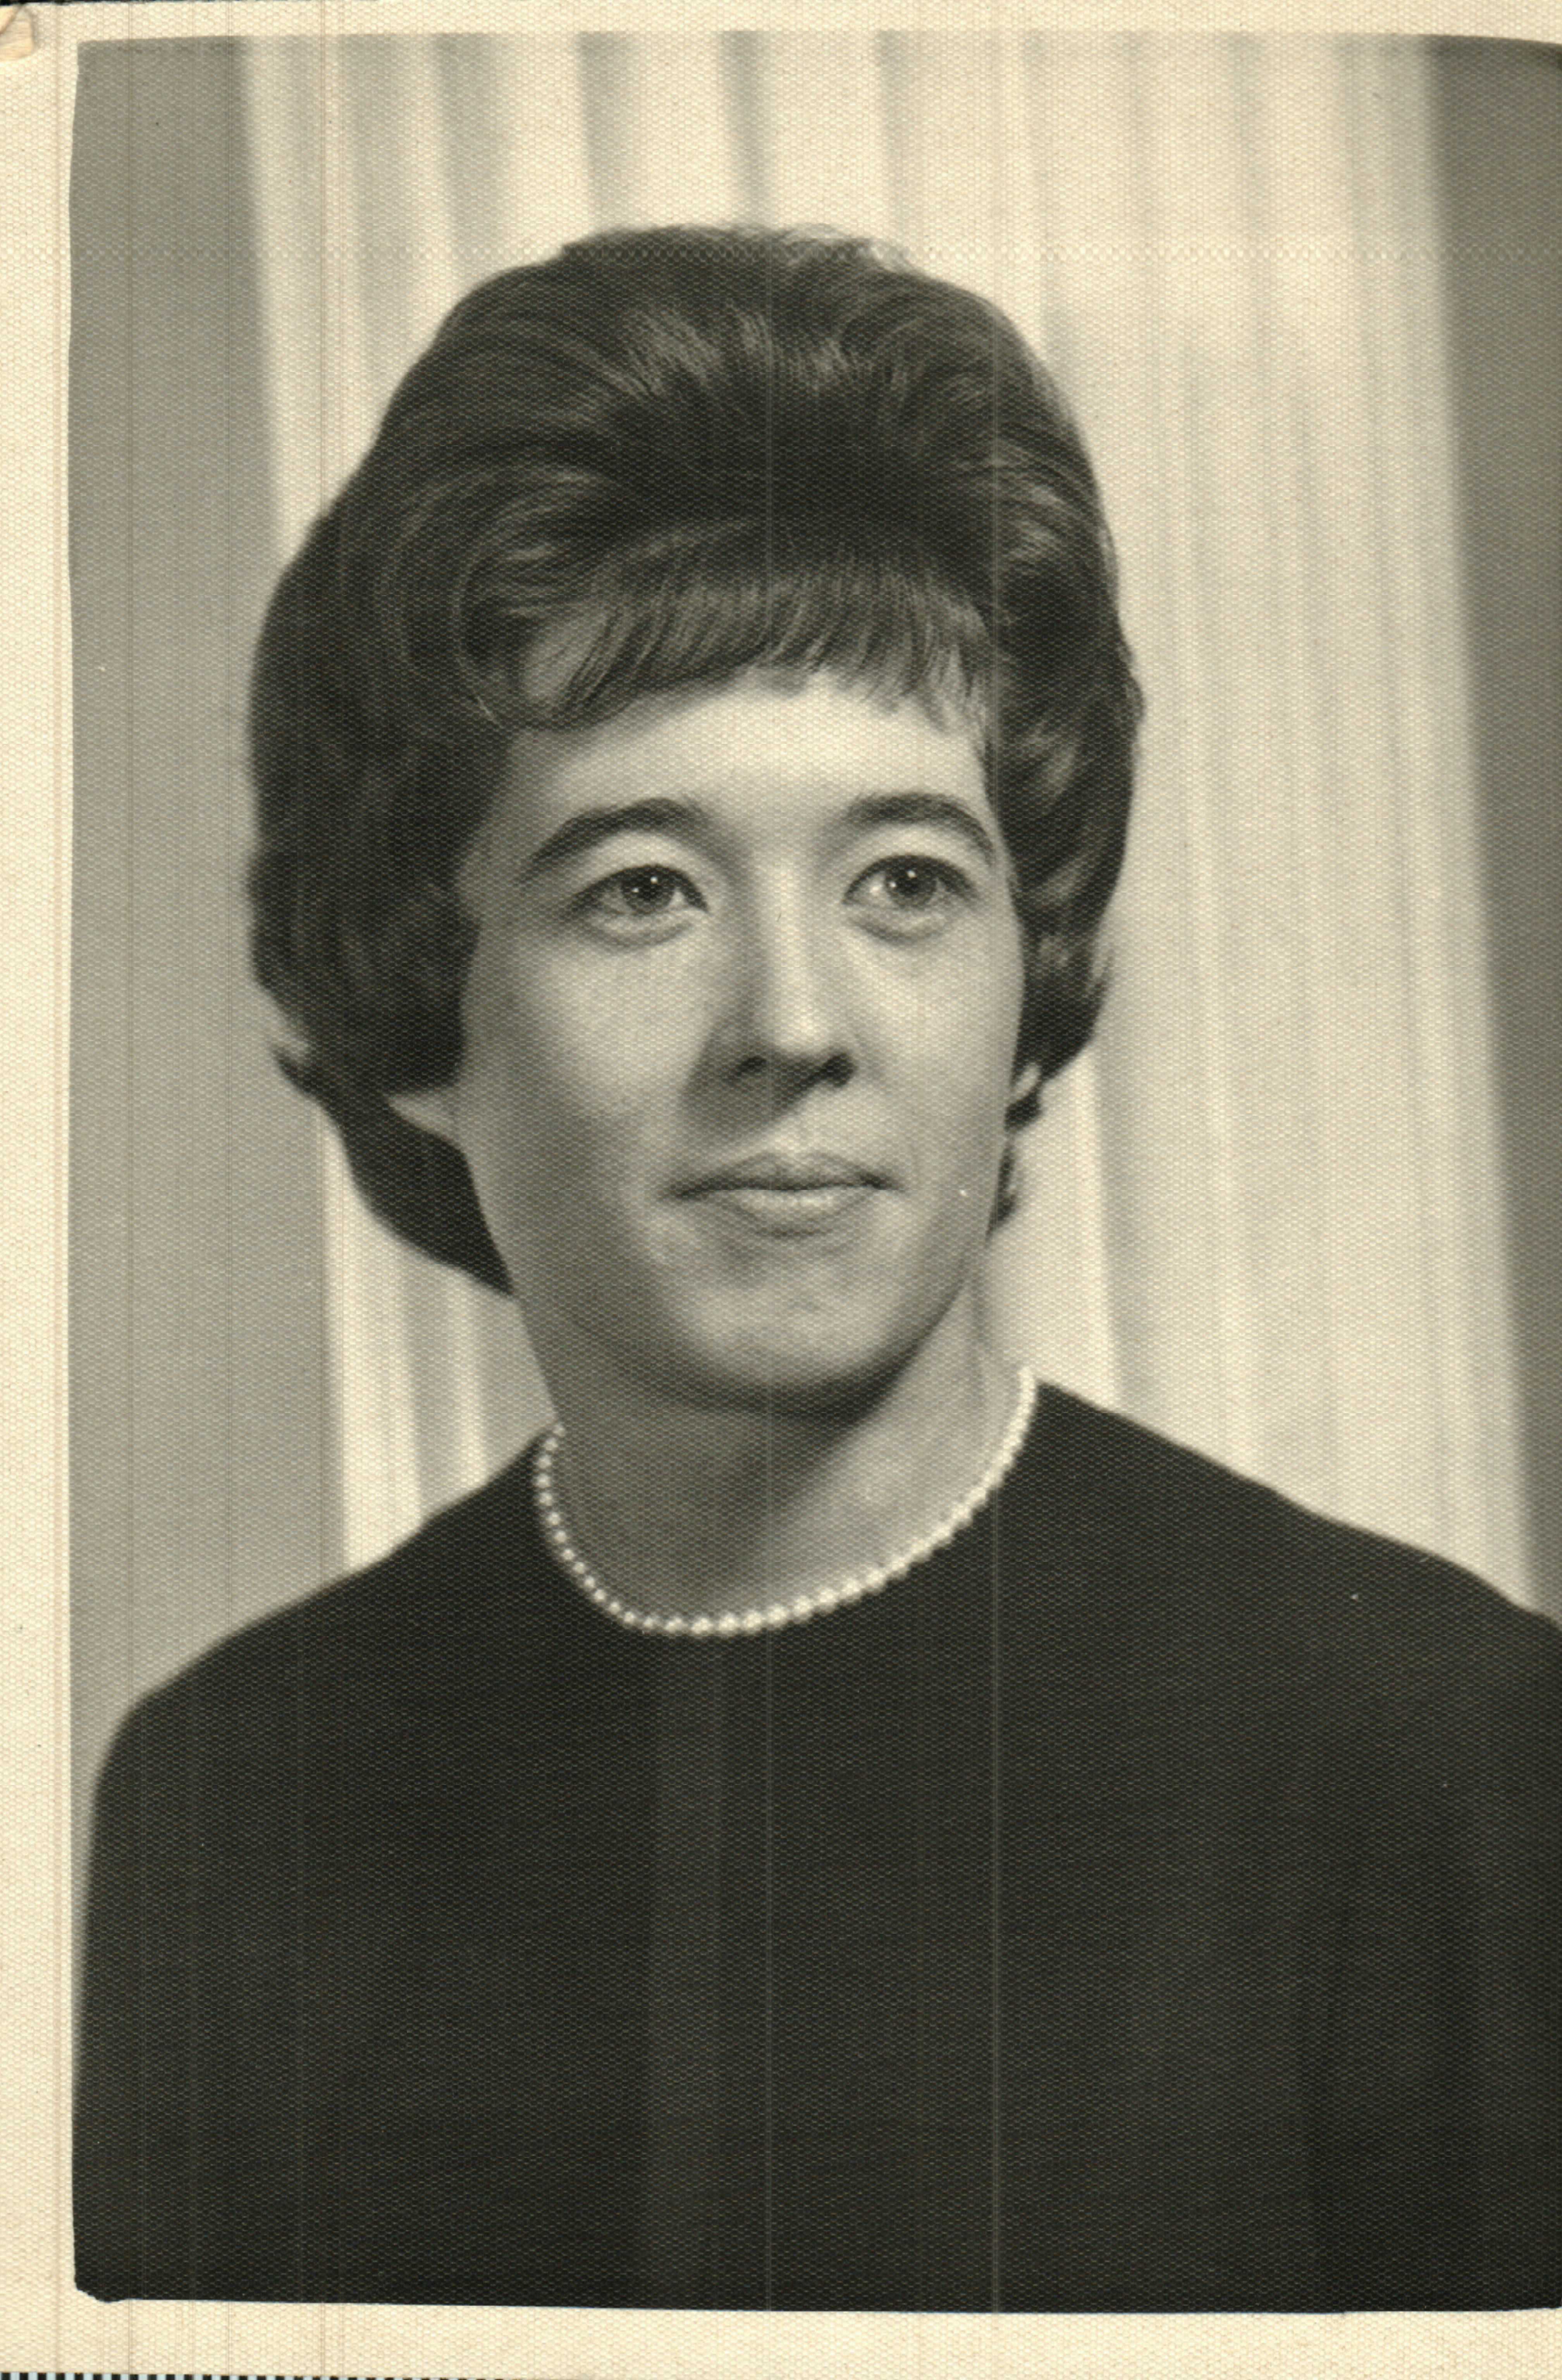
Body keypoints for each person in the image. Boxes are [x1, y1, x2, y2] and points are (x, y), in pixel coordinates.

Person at [74, 224, 1562, 2312]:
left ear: (1024, 983)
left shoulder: (1442, 1762)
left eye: (907, 882)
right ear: (419, 1016)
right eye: (643, 889)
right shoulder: (233, 1804)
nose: (795, 1020)